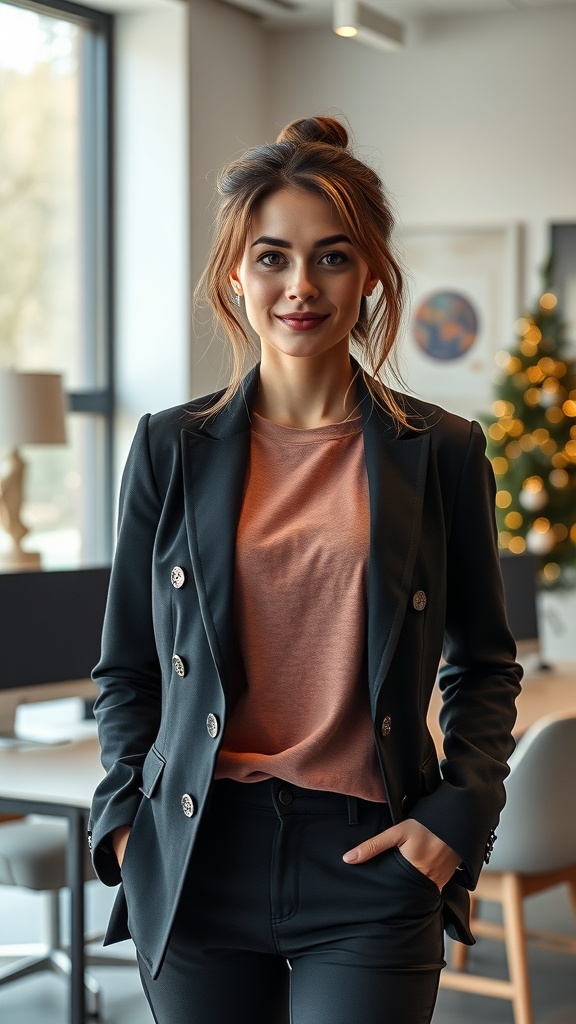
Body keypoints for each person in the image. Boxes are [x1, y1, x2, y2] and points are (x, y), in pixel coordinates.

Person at [88, 115, 522, 1024]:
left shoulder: (440, 449)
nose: (300, 286)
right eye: (272, 256)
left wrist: (458, 816)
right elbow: (127, 665)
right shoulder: (170, 446)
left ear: (370, 274)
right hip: (197, 849)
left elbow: (483, 662)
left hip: (370, 857)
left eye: (331, 257)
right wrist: (126, 822)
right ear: (235, 274)